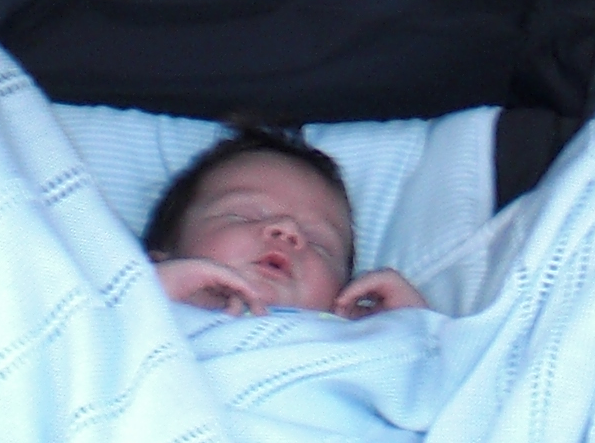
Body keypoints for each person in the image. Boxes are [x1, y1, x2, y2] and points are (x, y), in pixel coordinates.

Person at [147, 130, 425, 318]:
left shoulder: (352, 341)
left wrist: (415, 327)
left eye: (319, 243)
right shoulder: (150, 311)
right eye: (243, 216)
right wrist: (146, 288)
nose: (288, 230)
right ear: (159, 261)